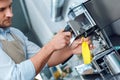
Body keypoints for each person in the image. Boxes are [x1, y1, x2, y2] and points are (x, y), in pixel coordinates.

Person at [0, 0, 93, 80]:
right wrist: (51, 46)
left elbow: (45, 59)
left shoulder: (14, 33)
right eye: (2, 9)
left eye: (10, 6)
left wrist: (71, 49)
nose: (10, 14)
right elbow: (15, 77)